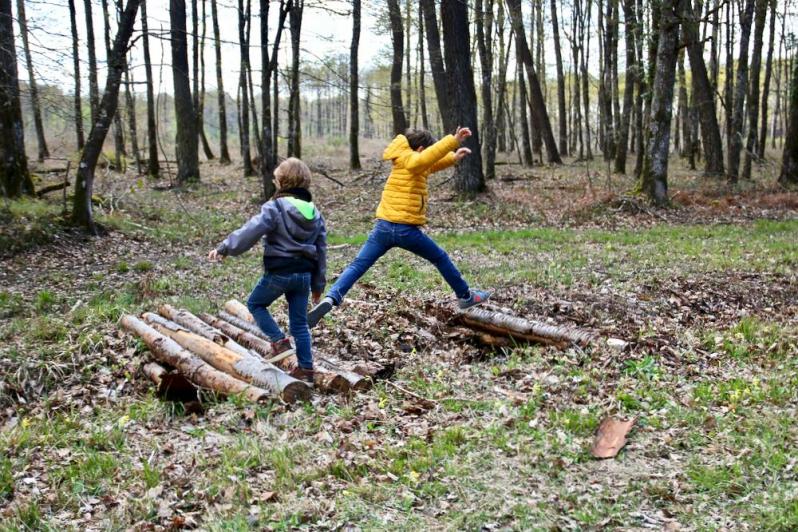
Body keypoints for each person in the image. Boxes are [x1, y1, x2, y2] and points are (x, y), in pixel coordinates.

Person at [308, 127, 489, 328]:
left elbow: (429, 164)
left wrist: (453, 158)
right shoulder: (412, 160)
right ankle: (465, 296)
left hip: (383, 228)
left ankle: (331, 297)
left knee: (357, 265)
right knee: (439, 258)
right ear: (420, 149)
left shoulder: (405, 160)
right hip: (405, 231)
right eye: (425, 152)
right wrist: (453, 140)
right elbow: (424, 160)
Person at [208, 157, 326, 385]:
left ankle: (279, 341)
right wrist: (318, 285)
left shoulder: (275, 208)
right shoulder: (315, 212)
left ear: (282, 182)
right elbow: (321, 250)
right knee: (300, 325)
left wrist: (225, 247)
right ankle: (306, 370)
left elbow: (250, 230)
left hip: (280, 273)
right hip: (303, 276)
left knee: (255, 304)